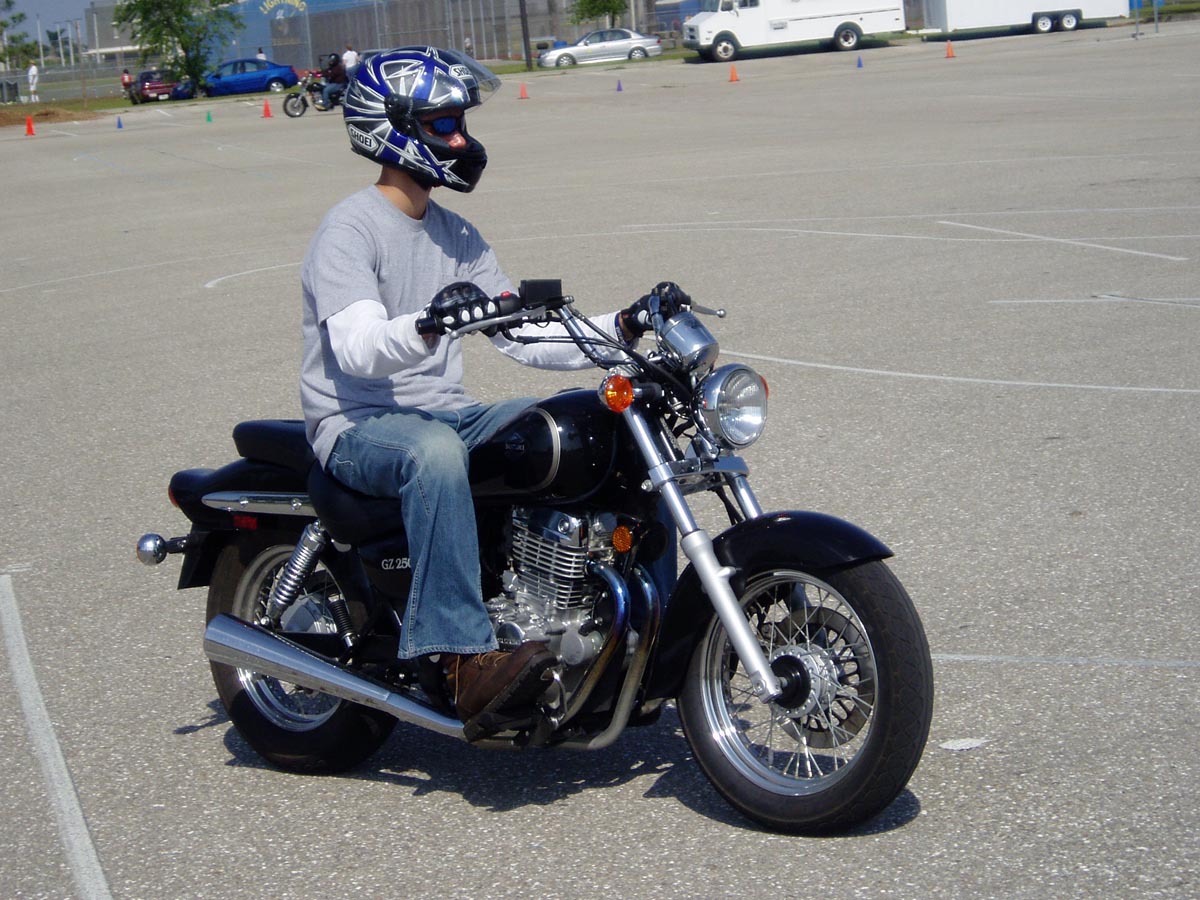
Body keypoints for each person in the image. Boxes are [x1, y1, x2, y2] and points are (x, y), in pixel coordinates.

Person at [300, 47, 656, 730]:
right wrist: (429, 323)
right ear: (392, 128)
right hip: (359, 423)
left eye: (461, 123)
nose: (461, 140)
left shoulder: (457, 235)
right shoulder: (350, 228)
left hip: (445, 413)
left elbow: (522, 334)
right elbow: (358, 348)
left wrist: (625, 326)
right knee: (433, 454)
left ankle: (600, 617)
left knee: (577, 427)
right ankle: (460, 660)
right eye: (444, 125)